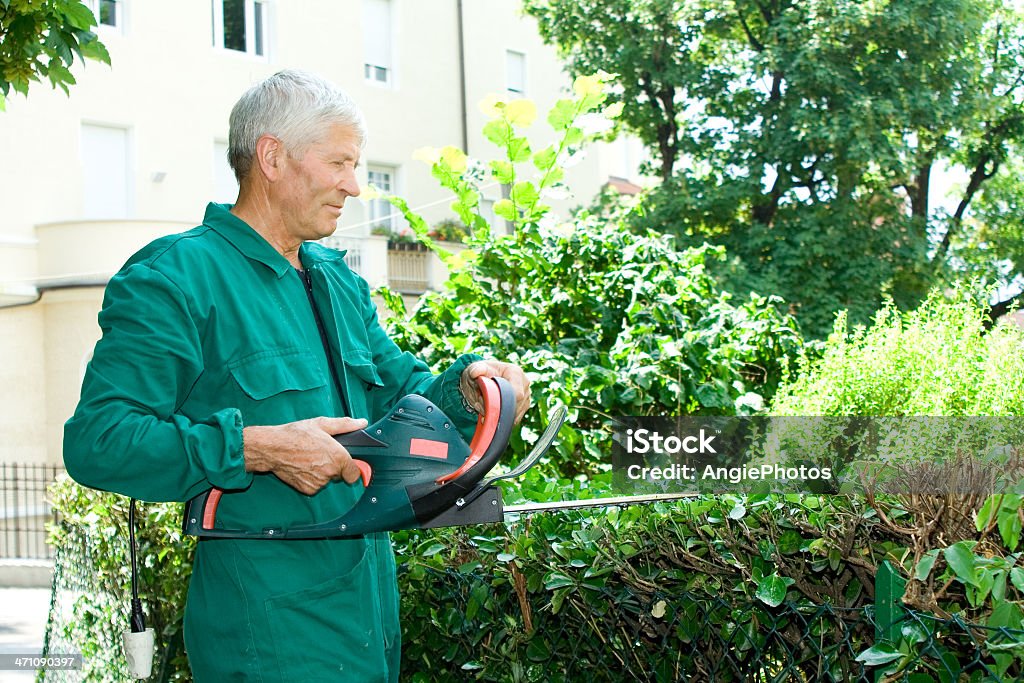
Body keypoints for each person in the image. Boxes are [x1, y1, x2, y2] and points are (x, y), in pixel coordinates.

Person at [63, 69, 531, 682]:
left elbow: (400, 396)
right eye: (339, 163)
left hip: (371, 621)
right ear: (273, 157)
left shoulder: (336, 279)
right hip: (267, 637)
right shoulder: (176, 278)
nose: (355, 186)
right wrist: (258, 448)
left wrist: (468, 389)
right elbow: (99, 440)